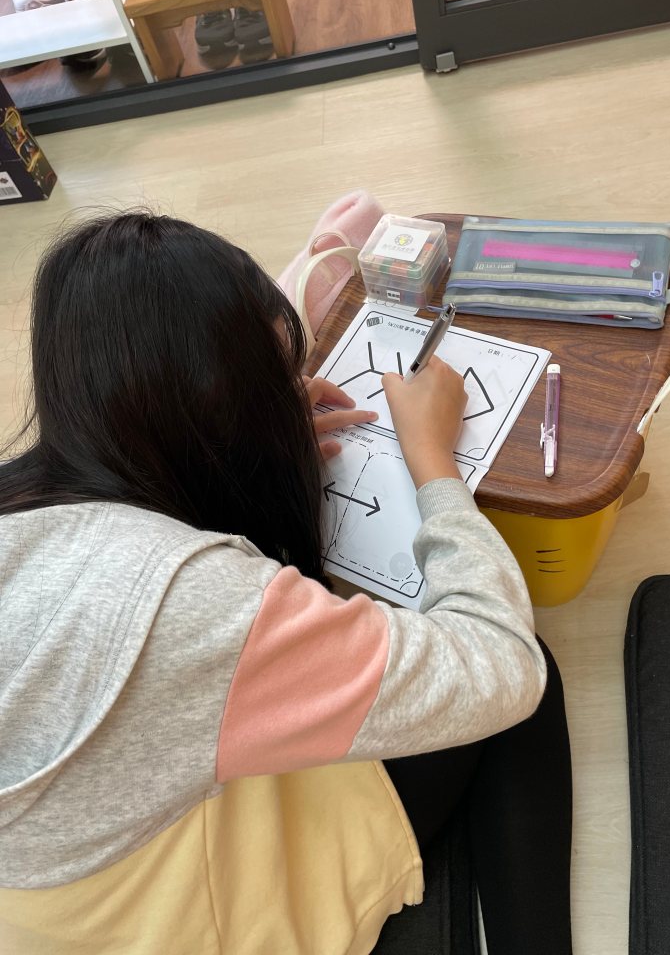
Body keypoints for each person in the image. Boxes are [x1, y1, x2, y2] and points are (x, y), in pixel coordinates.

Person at [0, 212, 572, 955]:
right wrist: (433, 462)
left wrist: (248, 433)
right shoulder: (189, 601)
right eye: (272, 385)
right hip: (170, 915)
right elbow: (499, 662)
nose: (296, 392)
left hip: (54, 889)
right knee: (528, 670)